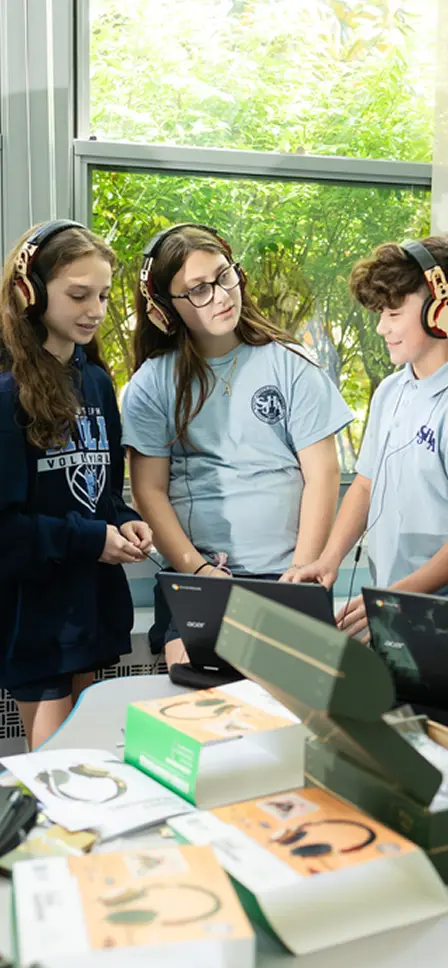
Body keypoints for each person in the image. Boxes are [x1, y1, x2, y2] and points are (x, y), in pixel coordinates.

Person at [121, 223, 353, 670]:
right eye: (200, 289)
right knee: (198, 706)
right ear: (166, 307)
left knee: (288, 718)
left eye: (225, 276)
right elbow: (148, 491)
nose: (223, 295)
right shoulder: (151, 384)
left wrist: (300, 577)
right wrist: (198, 570)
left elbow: (322, 475)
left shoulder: (292, 367)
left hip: (287, 575)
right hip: (200, 577)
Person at [0, 220, 152, 748]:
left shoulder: (95, 380)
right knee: (56, 766)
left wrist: (126, 522)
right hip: (32, 611)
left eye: (105, 295)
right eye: (79, 295)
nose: (96, 310)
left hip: (89, 601)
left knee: (85, 754)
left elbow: (104, 493)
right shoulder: (6, 389)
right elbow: (5, 529)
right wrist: (92, 539)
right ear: (30, 291)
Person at [287, 235, 448, 642]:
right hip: (395, 605)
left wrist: (391, 599)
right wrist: (329, 560)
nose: (382, 327)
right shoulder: (391, 392)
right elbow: (365, 484)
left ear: (443, 312)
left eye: (393, 313)